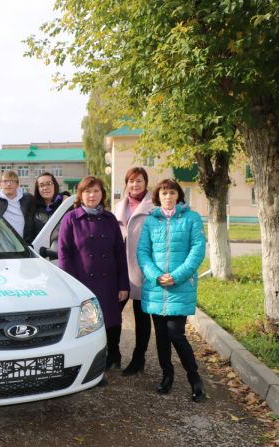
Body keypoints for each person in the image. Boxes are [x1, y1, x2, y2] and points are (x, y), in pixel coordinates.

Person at [137, 179, 206, 402]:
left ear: (178, 195)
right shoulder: (151, 221)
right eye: (164, 193)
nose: (168, 196)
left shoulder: (191, 218)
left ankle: (194, 379)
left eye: (172, 192)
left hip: (180, 287)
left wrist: (176, 276)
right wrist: (156, 275)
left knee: (176, 333)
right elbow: (143, 252)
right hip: (156, 287)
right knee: (161, 337)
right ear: (159, 196)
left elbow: (197, 250)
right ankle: (167, 377)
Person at [58, 176, 129, 370]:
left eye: (96, 191)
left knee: (112, 321)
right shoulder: (71, 219)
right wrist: (72, 285)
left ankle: (114, 354)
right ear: (80, 195)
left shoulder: (110, 219)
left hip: (109, 280)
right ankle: (91, 363)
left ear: (102, 195)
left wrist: (123, 284)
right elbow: (64, 254)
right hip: (83, 282)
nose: (92, 195)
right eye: (87, 191)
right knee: (87, 325)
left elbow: (120, 253)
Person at [113, 167, 155, 376]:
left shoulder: (153, 206)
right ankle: (113, 354)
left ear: (145, 183)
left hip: (142, 269)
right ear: (126, 183)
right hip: (120, 269)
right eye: (131, 181)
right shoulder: (119, 206)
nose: (135, 185)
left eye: (139, 181)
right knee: (112, 313)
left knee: (141, 316)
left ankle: (139, 358)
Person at [0, 170, 35, 243]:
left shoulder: (27, 199)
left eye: (12, 181)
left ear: (17, 185)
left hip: (22, 246)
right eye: (5, 181)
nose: (8, 184)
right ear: (0, 184)